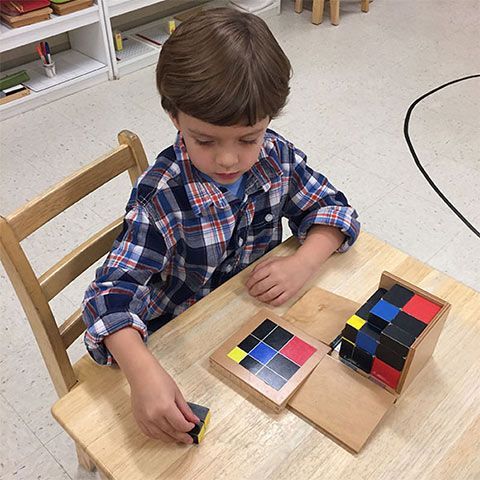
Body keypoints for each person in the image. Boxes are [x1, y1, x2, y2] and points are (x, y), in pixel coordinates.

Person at [82, 8, 360, 445]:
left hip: (249, 317)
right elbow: (108, 296)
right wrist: (141, 371)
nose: (229, 159)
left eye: (248, 138)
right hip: (179, 336)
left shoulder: (276, 157)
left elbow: (333, 209)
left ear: (269, 120)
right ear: (175, 118)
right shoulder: (162, 198)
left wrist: (304, 262)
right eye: (205, 140)